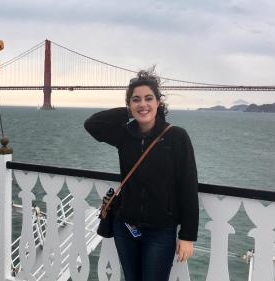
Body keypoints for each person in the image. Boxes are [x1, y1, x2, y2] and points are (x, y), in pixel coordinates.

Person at [84, 69, 199, 281]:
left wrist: (187, 235)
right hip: (125, 225)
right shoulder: (124, 135)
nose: (143, 104)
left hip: (161, 231)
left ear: (159, 103)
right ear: (129, 104)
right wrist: (128, 112)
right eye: (136, 100)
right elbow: (92, 125)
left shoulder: (177, 137)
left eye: (148, 99)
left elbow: (188, 186)